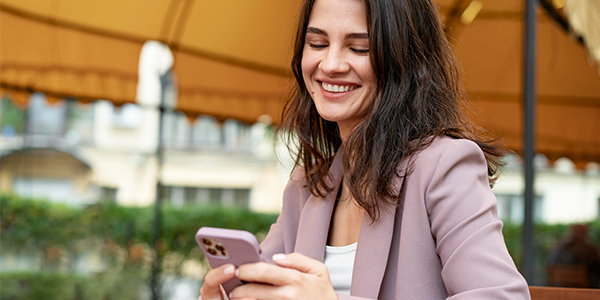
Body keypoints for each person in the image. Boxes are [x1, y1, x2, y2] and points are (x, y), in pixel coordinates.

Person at [200, 0, 531, 299]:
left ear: (404, 59)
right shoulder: (307, 186)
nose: (330, 64)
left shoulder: (444, 166)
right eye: (316, 43)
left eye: (359, 49)